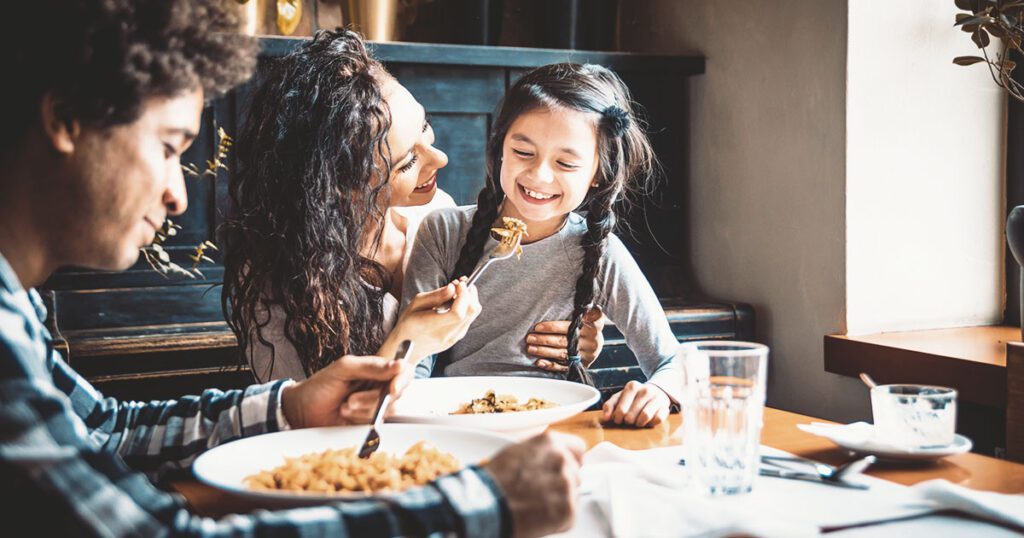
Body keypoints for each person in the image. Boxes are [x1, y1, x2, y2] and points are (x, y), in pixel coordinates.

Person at [0, 2, 582, 536]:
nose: (179, 195)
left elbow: (107, 428)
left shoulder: (15, 306)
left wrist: (291, 406)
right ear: (67, 120)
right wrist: (483, 502)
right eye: (169, 147)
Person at [221, 30, 605, 423]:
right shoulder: (279, 287)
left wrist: (570, 338)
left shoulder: (438, 216)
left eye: (425, 126)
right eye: (406, 163)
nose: (439, 159)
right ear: (336, 185)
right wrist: (408, 342)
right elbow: (311, 423)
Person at [403, 63, 682, 428]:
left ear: (597, 174)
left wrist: (658, 392)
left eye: (566, 163)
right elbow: (413, 365)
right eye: (523, 152)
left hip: (559, 428)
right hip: (455, 422)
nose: (539, 176)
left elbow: (672, 361)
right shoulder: (442, 231)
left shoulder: (600, 252)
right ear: (500, 145)